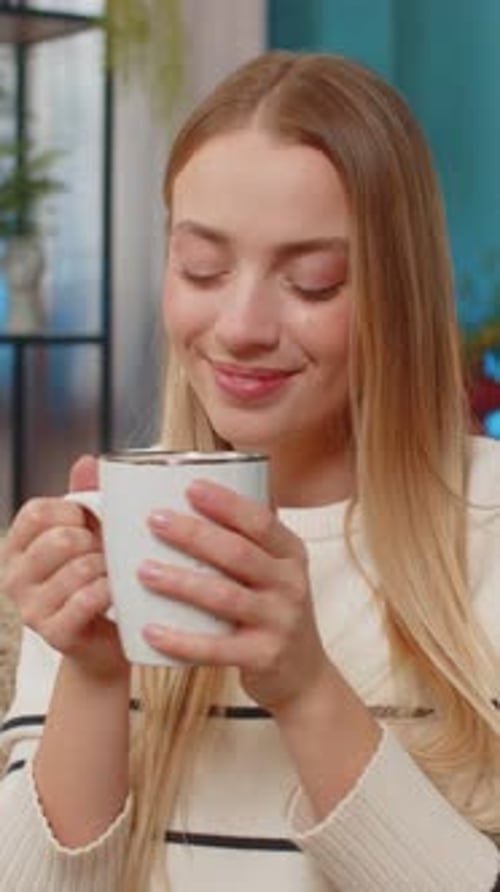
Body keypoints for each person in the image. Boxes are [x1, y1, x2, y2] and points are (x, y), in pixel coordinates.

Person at [0, 50, 499, 892]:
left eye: (313, 282)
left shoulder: (486, 529)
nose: (241, 326)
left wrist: (305, 689)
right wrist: (92, 673)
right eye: (202, 267)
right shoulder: (106, 529)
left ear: (399, 291)